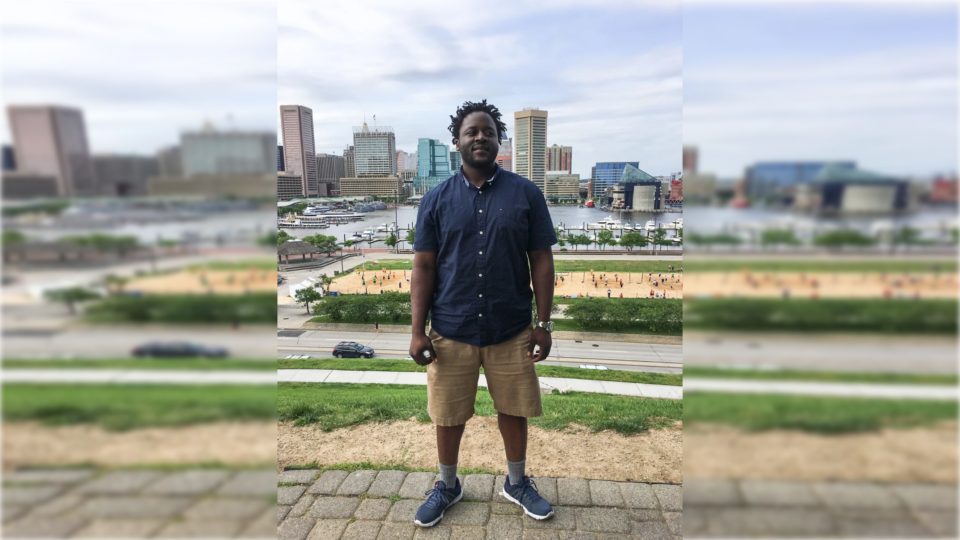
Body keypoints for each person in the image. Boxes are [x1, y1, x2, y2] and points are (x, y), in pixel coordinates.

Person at [409, 100, 556, 528]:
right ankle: (447, 486)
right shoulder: (435, 200)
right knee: (447, 414)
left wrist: (543, 324)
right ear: (457, 141)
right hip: (450, 328)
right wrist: (417, 331)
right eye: (471, 131)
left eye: (488, 131)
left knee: (514, 408)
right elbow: (423, 267)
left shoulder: (526, 194)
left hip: (511, 328)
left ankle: (516, 483)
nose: (480, 137)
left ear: (498, 141)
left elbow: (541, 260)